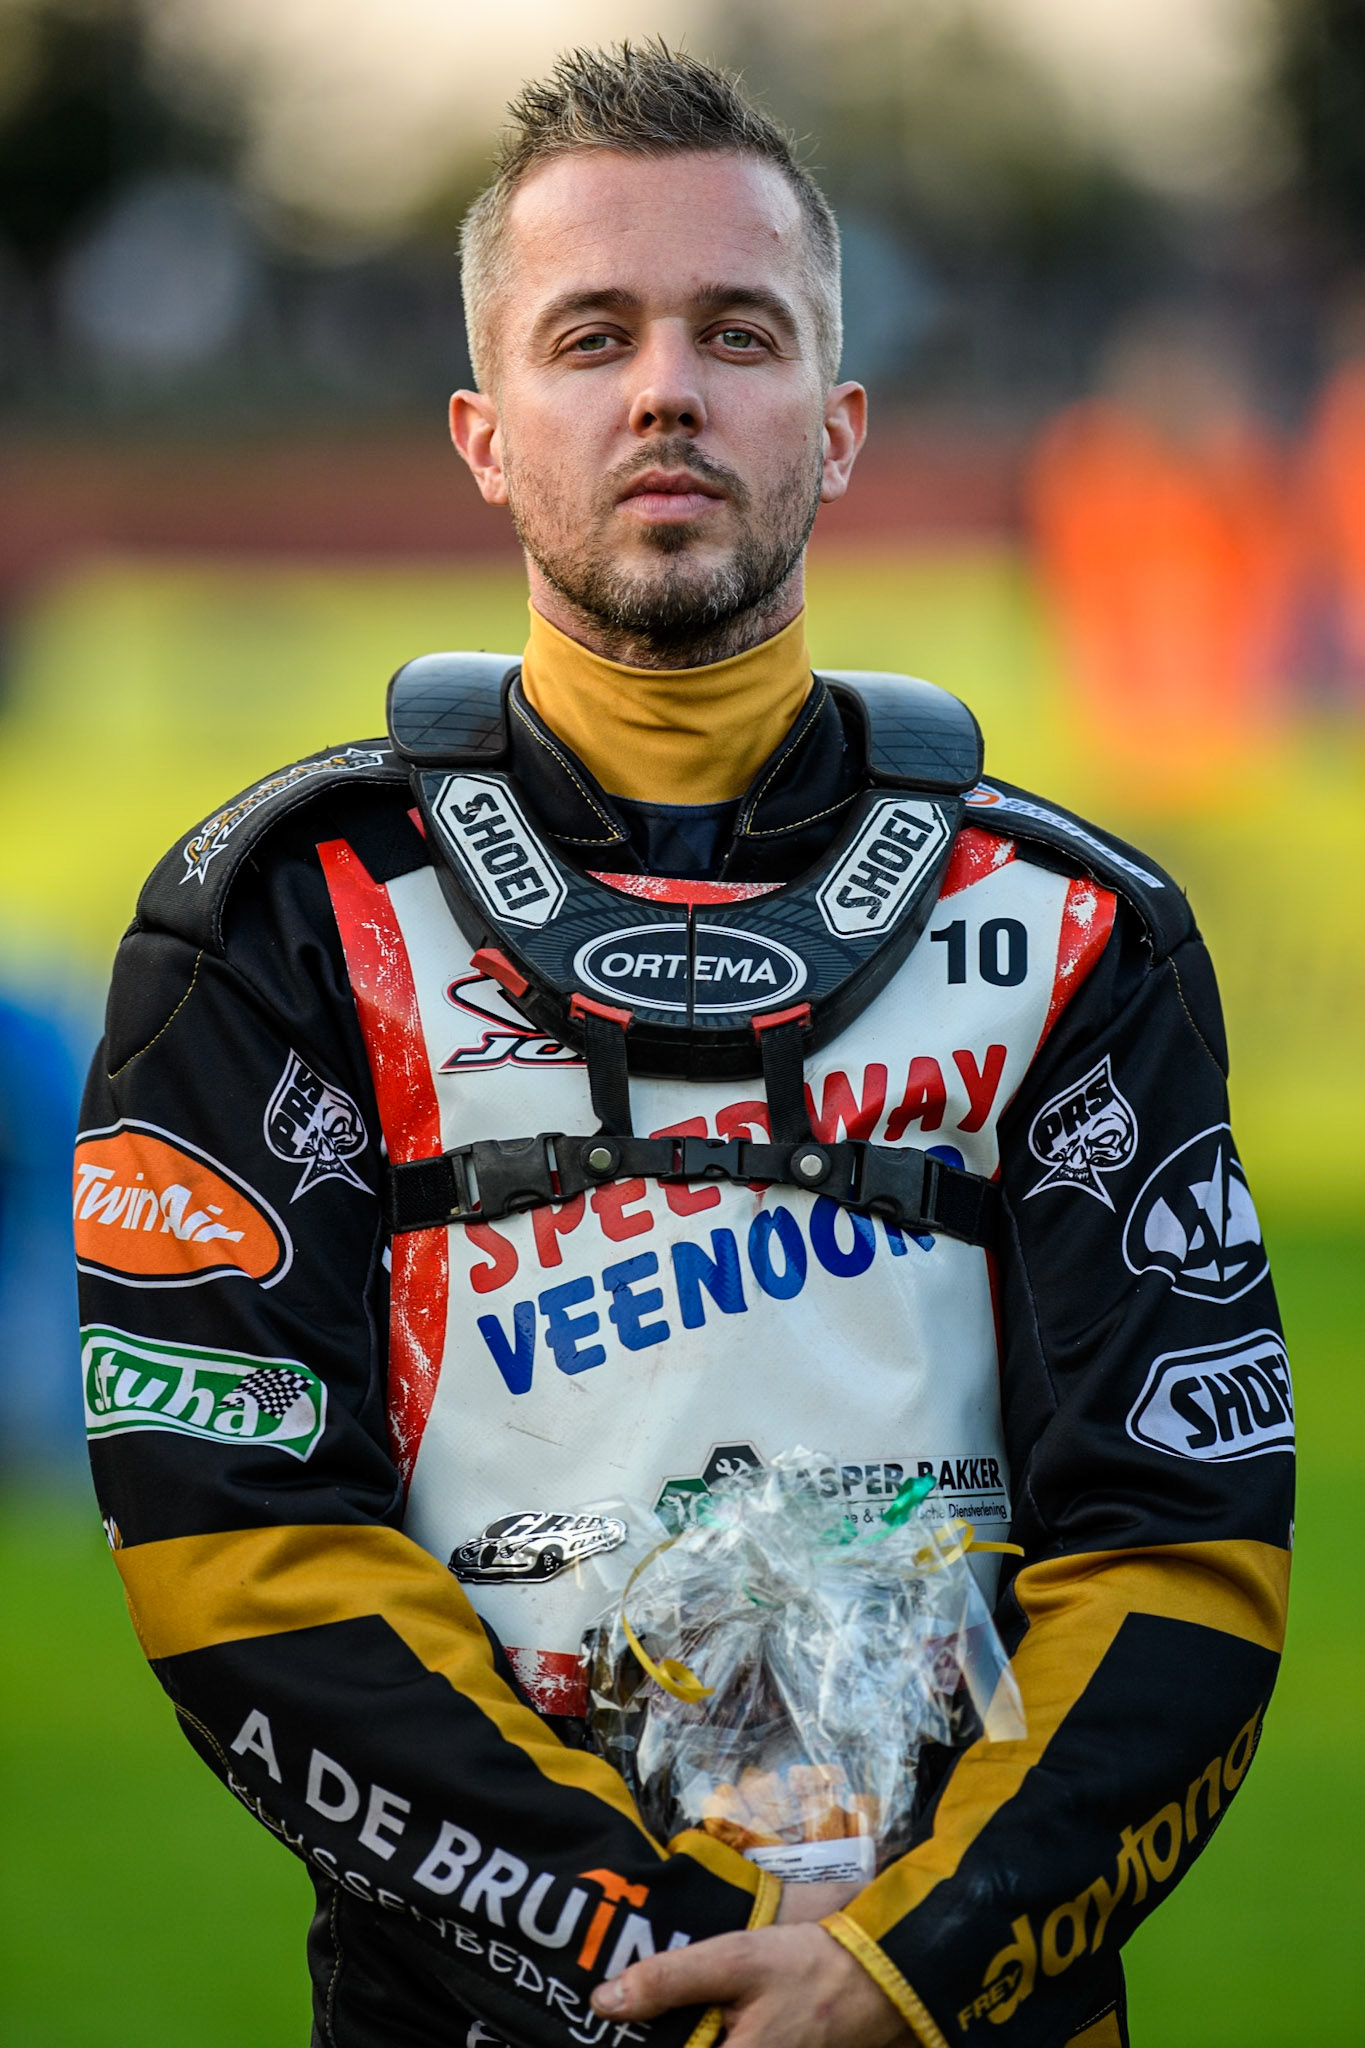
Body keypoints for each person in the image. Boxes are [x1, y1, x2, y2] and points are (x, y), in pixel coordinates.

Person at [75, 43, 1292, 2048]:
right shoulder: (278, 923)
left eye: (739, 333)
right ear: (482, 429)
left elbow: (1181, 1553)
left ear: (837, 424)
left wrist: (898, 1967)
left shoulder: (1081, 937)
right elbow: (240, 1560)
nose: (667, 388)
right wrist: (653, 1960)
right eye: (592, 334)